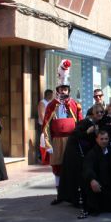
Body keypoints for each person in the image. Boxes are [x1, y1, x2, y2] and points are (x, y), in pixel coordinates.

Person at [42, 59, 83, 204]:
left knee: (72, 167)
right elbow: (46, 124)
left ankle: (73, 194)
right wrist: (47, 143)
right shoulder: (52, 105)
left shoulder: (74, 104)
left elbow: (80, 122)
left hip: (71, 140)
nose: (63, 92)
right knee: (58, 167)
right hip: (57, 141)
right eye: (61, 89)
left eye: (65, 89)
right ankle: (60, 195)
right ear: (57, 90)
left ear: (68, 90)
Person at [57, 103, 104, 206]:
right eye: (97, 112)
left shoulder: (97, 123)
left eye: (102, 112)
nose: (100, 114)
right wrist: (87, 132)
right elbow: (75, 135)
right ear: (93, 113)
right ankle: (76, 200)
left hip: (83, 152)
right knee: (76, 176)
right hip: (75, 152)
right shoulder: (86, 122)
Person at [82, 130, 111, 215]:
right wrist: (92, 180)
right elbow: (87, 168)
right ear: (97, 140)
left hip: (109, 184)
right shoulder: (91, 154)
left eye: (106, 139)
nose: (104, 141)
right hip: (98, 184)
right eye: (101, 139)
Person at [37, 89, 54, 164]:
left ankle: (49, 158)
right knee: (43, 142)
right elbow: (42, 115)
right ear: (48, 94)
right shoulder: (42, 103)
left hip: (50, 125)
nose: (52, 96)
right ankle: (42, 158)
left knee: (48, 142)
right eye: (51, 94)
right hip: (44, 126)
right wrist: (46, 125)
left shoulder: (50, 103)